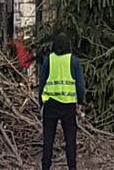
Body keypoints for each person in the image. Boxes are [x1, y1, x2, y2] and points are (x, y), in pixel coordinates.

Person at [38, 33, 85, 170]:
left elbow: (42, 83)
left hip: (50, 104)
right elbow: (80, 86)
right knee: (70, 140)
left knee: (48, 140)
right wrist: (80, 102)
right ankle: (72, 167)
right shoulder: (74, 62)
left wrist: (41, 102)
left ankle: (45, 167)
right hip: (68, 106)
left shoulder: (48, 60)